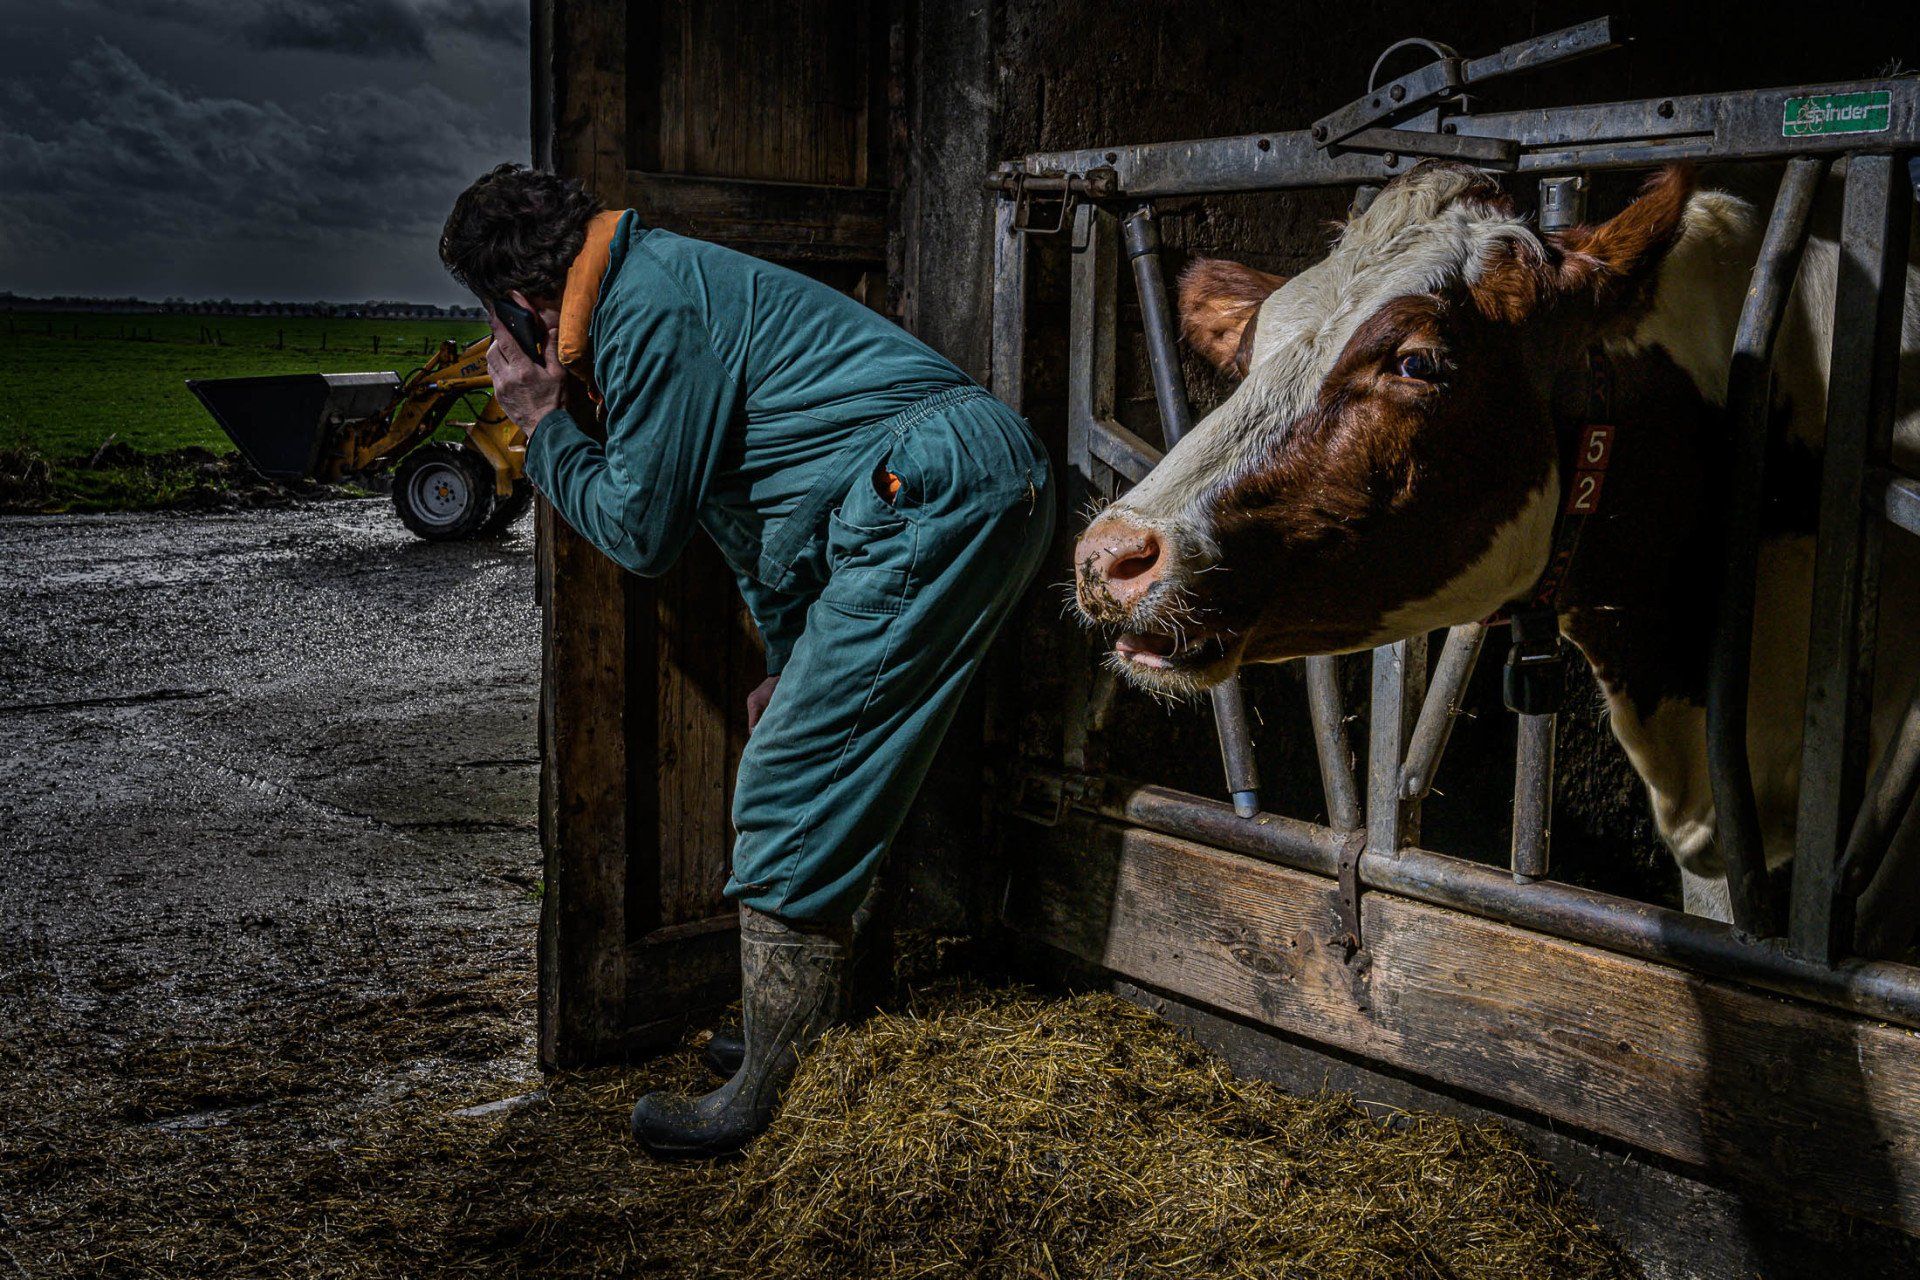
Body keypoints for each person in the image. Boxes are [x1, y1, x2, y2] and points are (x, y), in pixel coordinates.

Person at [439, 164, 1054, 1157]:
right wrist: (794, 651)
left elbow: (641, 532)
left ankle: (775, 1087)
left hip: (928, 490)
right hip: (944, 487)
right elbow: (752, 515)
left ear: (516, 304)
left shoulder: (646, 310)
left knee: (787, 776)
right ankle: (807, 1026)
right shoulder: (653, 288)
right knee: (829, 756)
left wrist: (543, 425)